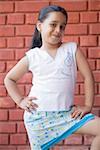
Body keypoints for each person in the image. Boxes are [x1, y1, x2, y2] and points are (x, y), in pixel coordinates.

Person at [4, 5, 100, 150]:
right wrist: (20, 100)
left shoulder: (71, 49)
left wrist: (87, 105)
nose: (58, 30)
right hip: (38, 119)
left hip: (67, 115)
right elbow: (9, 79)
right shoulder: (32, 56)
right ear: (39, 26)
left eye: (62, 27)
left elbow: (88, 77)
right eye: (53, 25)